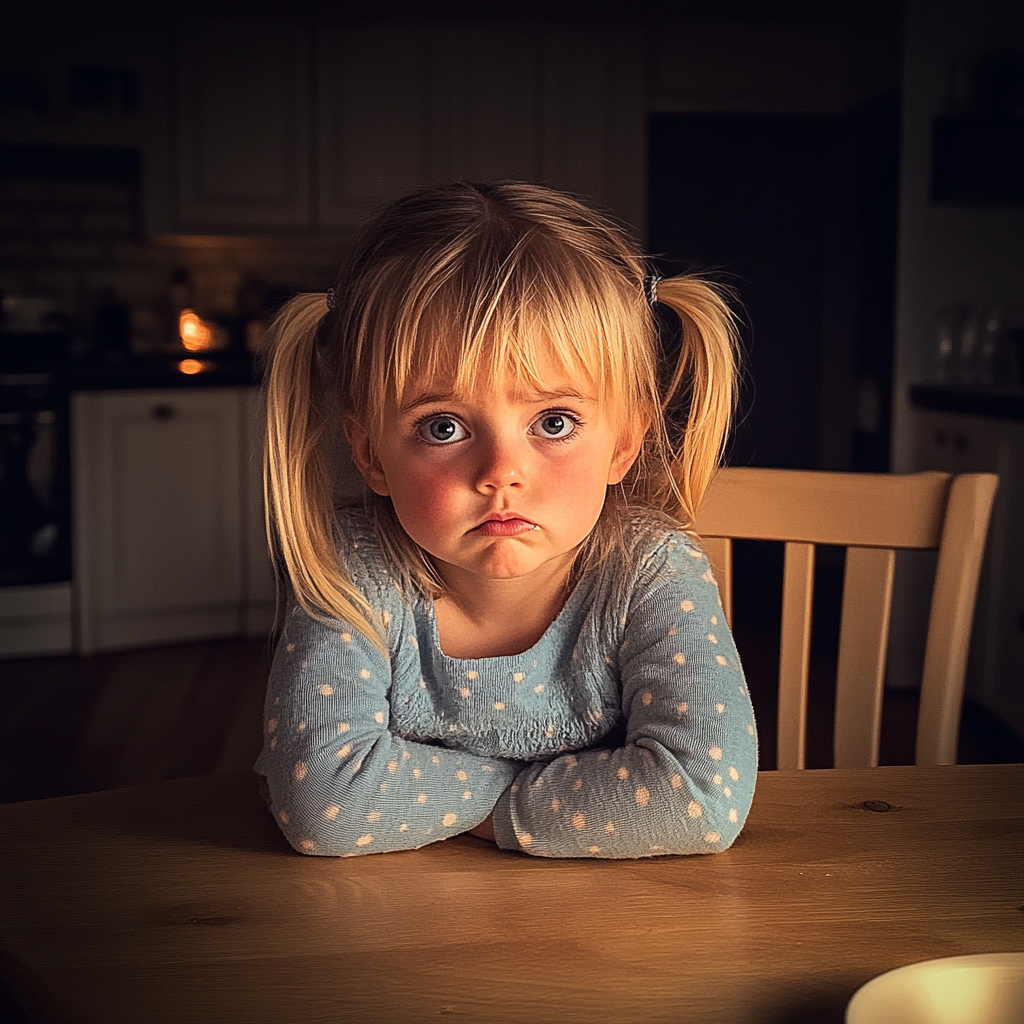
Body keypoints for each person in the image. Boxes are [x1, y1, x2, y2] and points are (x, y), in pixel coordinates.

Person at [256, 180, 757, 859]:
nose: (500, 472)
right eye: (443, 426)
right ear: (371, 454)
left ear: (623, 443)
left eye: (553, 422)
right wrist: (566, 799)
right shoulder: (352, 570)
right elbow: (325, 803)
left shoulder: (650, 571)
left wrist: (457, 801)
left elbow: (699, 797)